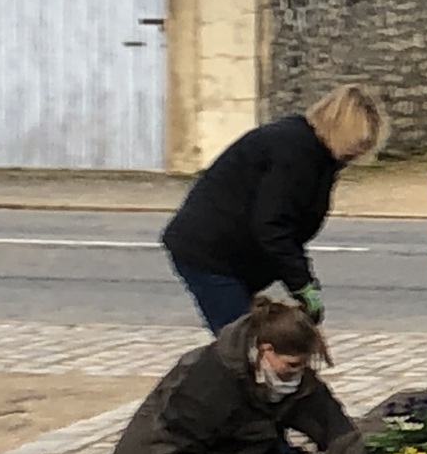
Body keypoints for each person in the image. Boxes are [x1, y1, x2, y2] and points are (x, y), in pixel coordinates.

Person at [99, 296, 365, 454]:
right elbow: (169, 448)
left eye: (304, 365)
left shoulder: (289, 377)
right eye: (292, 365)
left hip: (211, 451)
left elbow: (335, 427)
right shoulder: (208, 380)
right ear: (265, 350)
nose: (298, 373)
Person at [161, 83, 388, 332]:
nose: (361, 151)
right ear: (341, 129)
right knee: (241, 346)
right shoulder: (295, 153)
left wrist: (302, 283)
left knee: (254, 345)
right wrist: (303, 285)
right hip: (209, 254)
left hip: (235, 257)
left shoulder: (317, 156)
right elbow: (273, 226)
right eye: (360, 141)